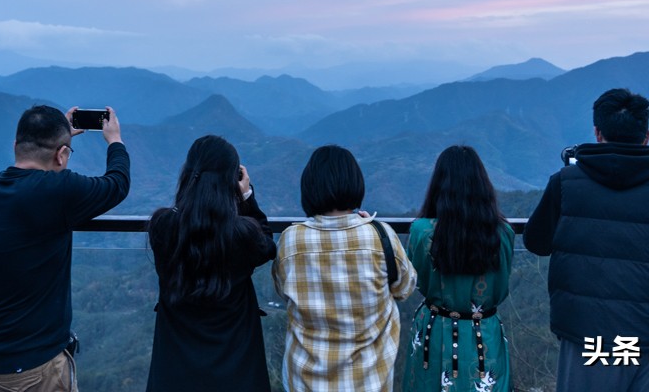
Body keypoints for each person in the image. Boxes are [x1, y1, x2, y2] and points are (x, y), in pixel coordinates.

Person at [524, 88, 649, 392]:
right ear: (646, 135)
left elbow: (537, 242)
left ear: (597, 133)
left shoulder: (565, 184)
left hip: (588, 336)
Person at [0, 104, 130, 392]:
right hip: (28, 370)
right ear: (62, 155)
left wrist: (57, 136)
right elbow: (117, 184)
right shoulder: (58, 192)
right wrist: (115, 141)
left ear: (15, 145)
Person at [273, 145, 416, 392]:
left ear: (309, 187)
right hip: (369, 381)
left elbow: (283, 291)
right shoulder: (381, 236)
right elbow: (405, 288)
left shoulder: (290, 240)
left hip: (305, 381)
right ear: (355, 183)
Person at [146, 135, 277, 392]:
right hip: (235, 364)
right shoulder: (242, 235)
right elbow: (267, 245)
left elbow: (188, 219)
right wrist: (247, 197)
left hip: (175, 366)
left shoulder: (162, 227)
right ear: (232, 181)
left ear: (187, 174)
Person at [404, 145, 514, 392]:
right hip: (483, 332)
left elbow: (417, 281)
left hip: (435, 329)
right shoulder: (503, 233)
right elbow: (501, 285)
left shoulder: (422, 231)